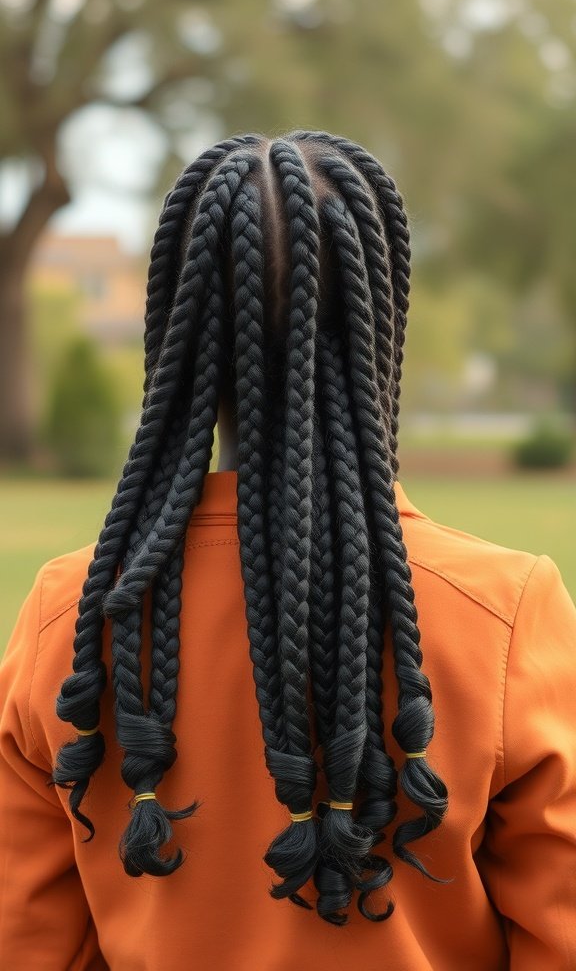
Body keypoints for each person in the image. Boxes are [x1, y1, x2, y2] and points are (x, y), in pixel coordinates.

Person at [0, 130, 574, 970]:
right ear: (382, 321)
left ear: (174, 335)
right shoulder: (508, 613)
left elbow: (28, 945)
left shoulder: (73, 619)